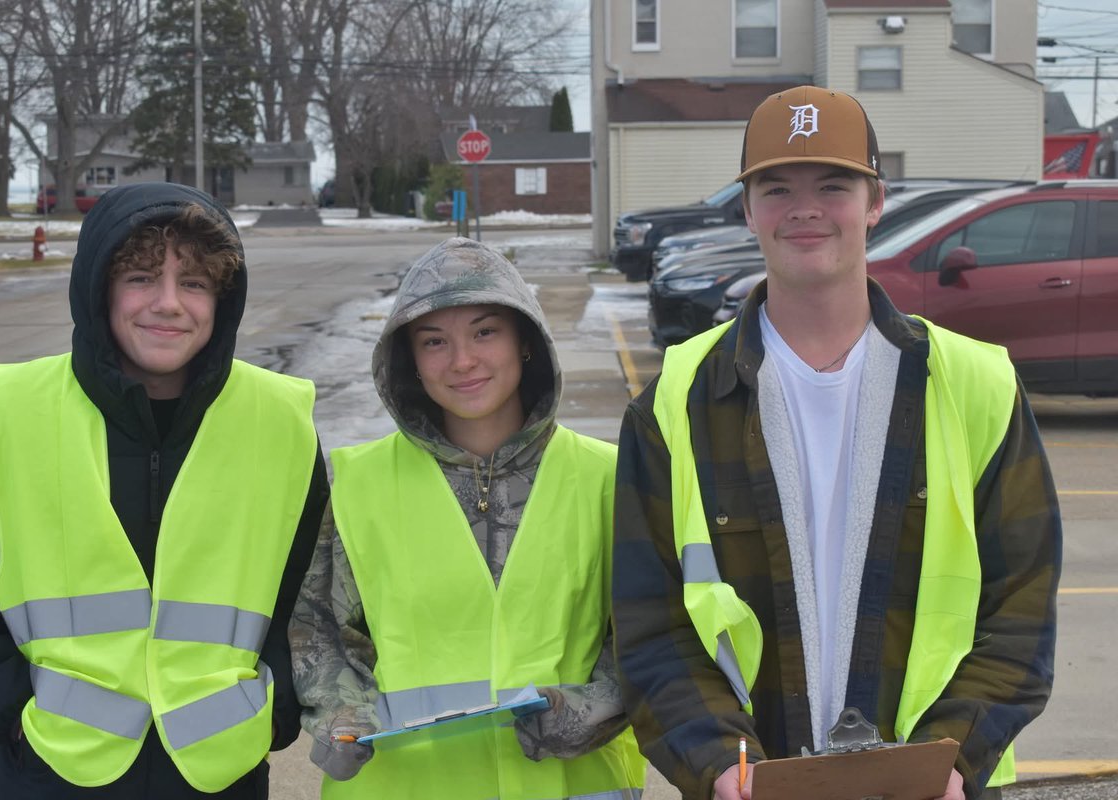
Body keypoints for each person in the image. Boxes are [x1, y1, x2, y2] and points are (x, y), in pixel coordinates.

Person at [610, 85, 1061, 800]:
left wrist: (951, 760)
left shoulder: (977, 383)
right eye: (777, 187)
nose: (806, 208)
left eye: (833, 184)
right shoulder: (677, 398)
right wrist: (723, 764)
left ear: (875, 200)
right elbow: (649, 625)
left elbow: (1020, 611)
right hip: (755, 787)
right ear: (749, 207)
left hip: (933, 787)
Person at [0, 182, 328, 799]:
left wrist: (274, 708)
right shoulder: (5, 412)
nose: (168, 304)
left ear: (221, 298)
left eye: (193, 283)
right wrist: (13, 713)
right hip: (54, 773)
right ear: (98, 287)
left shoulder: (279, 421)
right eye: (140, 277)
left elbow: (316, 596)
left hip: (220, 775)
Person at [289, 237, 646, 799]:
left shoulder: (610, 477)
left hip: (570, 784)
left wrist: (590, 710)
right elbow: (320, 630)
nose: (462, 361)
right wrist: (341, 716)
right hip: (405, 787)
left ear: (525, 340)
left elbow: (647, 630)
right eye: (434, 342)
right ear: (410, 359)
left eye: (485, 332)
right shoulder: (360, 486)